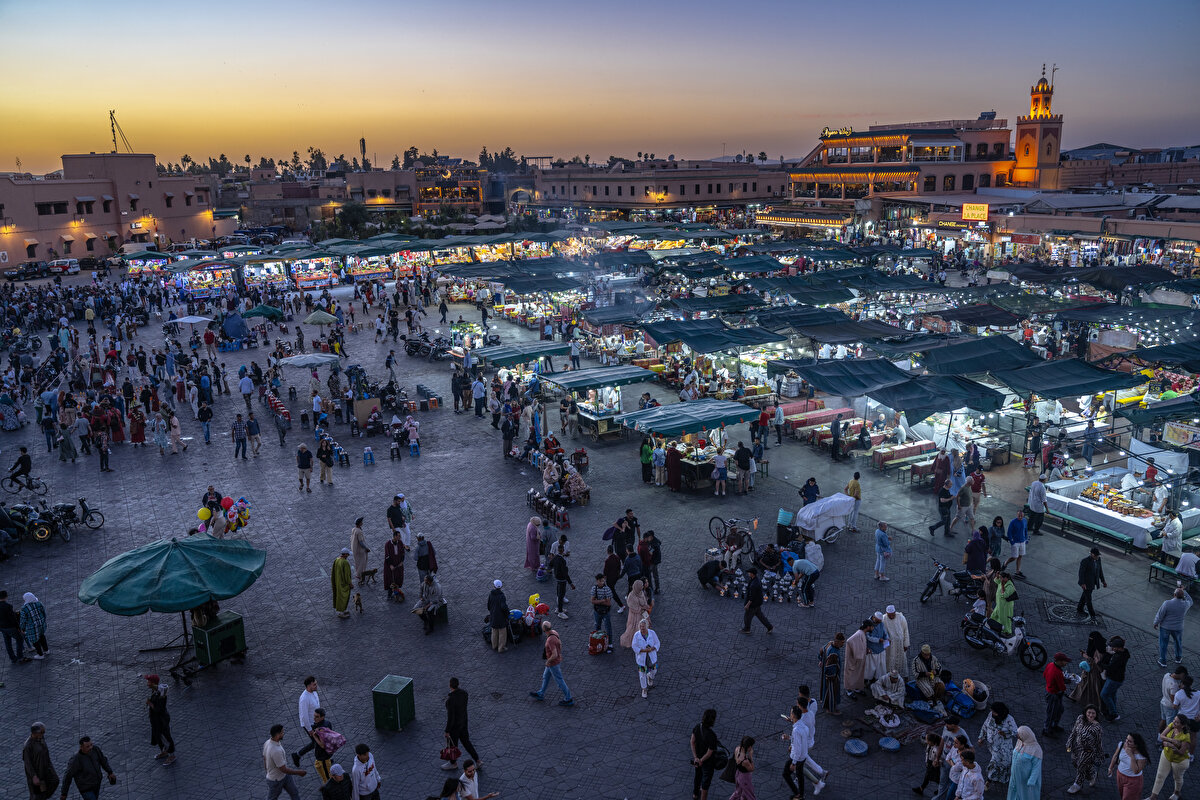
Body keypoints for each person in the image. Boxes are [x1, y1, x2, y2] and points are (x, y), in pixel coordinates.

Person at [529, 621, 573, 706]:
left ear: (544, 629)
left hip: (553, 663)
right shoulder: (555, 633)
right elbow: (560, 644)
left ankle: (568, 698)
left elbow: (554, 654)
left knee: (560, 681)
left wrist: (548, 661)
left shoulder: (550, 640)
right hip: (553, 663)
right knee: (545, 677)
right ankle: (541, 693)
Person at [1148, 713, 1192, 800]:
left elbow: (1181, 752)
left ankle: (1176, 793)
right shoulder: (1172, 725)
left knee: (1177, 778)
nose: (1173, 722)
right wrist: (1172, 741)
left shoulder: (1185, 736)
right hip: (1166, 754)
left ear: (1182, 726)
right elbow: (1161, 736)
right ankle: (1153, 797)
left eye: (1177, 722)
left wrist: (1172, 746)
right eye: (1174, 720)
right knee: (1160, 775)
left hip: (1179, 761)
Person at [441, 677, 481, 772]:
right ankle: (478, 760)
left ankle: (453, 763)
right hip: (463, 724)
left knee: (452, 746)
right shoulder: (464, 694)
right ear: (458, 684)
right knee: (467, 743)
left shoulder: (451, 700)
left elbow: (451, 717)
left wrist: (447, 730)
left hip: (454, 727)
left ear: (450, 685)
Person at [60, 735, 116, 800]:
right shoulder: (75, 760)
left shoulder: (95, 749)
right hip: (85, 789)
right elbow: (67, 776)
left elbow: (103, 761)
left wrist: (110, 772)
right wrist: (64, 793)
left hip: (96, 784)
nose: (90, 747)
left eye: (91, 745)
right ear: (81, 747)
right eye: (87, 746)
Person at [1066, 705, 1105, 794]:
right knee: (1074, 762)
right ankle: (1092, 774)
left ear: (1096, 714)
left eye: (1093, 713)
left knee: (1081, 767)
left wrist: (1100, 755)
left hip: (1088, 751)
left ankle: (1077, 785)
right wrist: (1069, 743)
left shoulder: (1097, 728)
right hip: (1076, 748)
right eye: (1089, 712)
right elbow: (1074, 732)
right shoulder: (1080, 719)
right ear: (1085, 712)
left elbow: (1099, 742)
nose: (1091, 715)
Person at [978, 702, 1017, 789]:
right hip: (993, 746)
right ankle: (990, 780)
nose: (992, 713)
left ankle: (991, 779)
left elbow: (1015, 732)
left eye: (994, 712)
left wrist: (1005, 734)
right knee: (996, 762)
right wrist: (981, 738)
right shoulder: (991, 715)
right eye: (991, 711)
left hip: (1004, 747)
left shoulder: (1009, 719)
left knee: (1004, 763)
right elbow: (985, 726)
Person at [264, 724, 305, 800]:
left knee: (294, 793)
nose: (283, 733)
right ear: (277, 735)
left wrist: (268, 771)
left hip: (285, 776)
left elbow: (265, 758)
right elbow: (283, 769)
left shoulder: (267, 742)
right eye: (282, 732)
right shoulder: (276, 750)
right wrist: (299, 772)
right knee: (272, 798)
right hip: (276, 780)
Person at [1153, 587, 1192, 667]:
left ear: (1174, 595)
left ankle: (1163, 660)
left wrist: (1156, 622)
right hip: (1178, 628)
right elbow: (1191, 601)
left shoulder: (1167, 603)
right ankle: (1178, 658)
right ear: (1183, 596)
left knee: (1163, 644)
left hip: (1165, 627)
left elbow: (1160, 614)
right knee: (1178, 643)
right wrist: (1184, 591)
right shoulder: (1185, 604)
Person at [1107, 732, 1150, 800]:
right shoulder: (1121, 745)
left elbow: (1136, 771)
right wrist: (1110, 768)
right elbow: (1115, 756)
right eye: (1126, 739)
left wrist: (1131, 756)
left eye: (1130, 741)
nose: (1126, 742)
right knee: (1122, 796)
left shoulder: (1141, 756)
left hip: (1133, 781)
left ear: (1136, 745)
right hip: (1120, 775)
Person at [291, 676, 321, 769]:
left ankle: (322, 759)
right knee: (317, 743)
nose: (316, 686)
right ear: (308, 686)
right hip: (310, 724)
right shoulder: (304, 698)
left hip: (316, 722)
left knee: (318, 742)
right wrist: (309, 729)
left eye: (316, 683)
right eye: (314, 684)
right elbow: (304, 716)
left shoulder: (314, 692)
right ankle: (298, 755)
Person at [690, 709, 720, 800]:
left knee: (697, 776)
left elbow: (692, 742)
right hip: (707, 762)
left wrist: (696, 758)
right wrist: (701, 760)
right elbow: (710, 752)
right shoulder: (712, 735)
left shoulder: (697, 727)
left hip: (698, 758)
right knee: (705, 782)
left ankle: (695, 794)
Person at [23, 722, 57, 800]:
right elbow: (28, 763)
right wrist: (34, 776)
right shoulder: (28, 746)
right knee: (36, 795)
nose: (43, 734)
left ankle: (43, 797)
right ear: (35, 733)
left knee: (55, 781)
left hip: (45, 769)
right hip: (37, 773)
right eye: (42, 732)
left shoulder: (41, 738)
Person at [1007, 727, 1043, 800]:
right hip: (1015, 776)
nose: (1017, 736)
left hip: (1025, 780)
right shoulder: (1020, 742)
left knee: (1024, 795)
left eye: (1019, 735)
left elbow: (1036, 767)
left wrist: (1031, 781)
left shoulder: (1036, 750)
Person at [1099, 635, 1130, 722]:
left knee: (1104, 694)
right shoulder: (1125, 653)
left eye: (1113, 647)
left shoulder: (1118, 657)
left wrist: (1100, 664)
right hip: (1119, 679)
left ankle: (1113, 713)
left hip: (1113, 679)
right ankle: (1113, 708)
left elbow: (1110, 667)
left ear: (1118, 648)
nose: (1112, 649)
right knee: (1112, 694)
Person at [631, 617, 660, 699]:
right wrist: (643, 650)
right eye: (640, 627)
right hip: (642, 658)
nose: (642, 629)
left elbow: (657, 643)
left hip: (651, 657)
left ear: (647, 626)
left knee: (654, 670)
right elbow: (634, 646)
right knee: (642, 674)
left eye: (643, 627)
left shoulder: (652, 633)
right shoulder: (636, 635)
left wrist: (652, 648)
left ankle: (650, 677)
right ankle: (644, 688)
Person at [1042, 651, 1069, 737]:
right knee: (1052, 713)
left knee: (1059, 710)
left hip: (1051, 691)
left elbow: (1044, 674)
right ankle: (1047, 729)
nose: (1066, 663)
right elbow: (1062, 687)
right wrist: (1066, 681)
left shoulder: (1050, 664)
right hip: (1054, 694)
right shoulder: (1057, 672)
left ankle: (1054, 725)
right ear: (1060, 661)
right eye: (1065, 661)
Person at [739, 568, 774, 634]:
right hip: (757, 603)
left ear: (752, 574)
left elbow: (752, 597)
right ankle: (769, 627)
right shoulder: (756, 580)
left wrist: (747, 605)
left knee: (747, 616)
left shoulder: (753, 585)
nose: (748, 574)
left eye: (749, 573)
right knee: (760, 616)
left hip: (753, 604)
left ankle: (747, 629)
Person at [817, 633, 844, 715]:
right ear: (837, 642)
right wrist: (833, 678)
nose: (843, 644)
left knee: (825, 689)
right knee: (832, 692)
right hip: (831, 676)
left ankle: (824, 702)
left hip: (825, 672)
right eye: (842, 642)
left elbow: (821, 650)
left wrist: (821, 660)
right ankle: (831, 709)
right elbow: (831, 667)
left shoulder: (829, 643)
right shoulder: (834, 653)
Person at [621, 578, 652, 648]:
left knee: (646, 625)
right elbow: (633, 608)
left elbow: (644, 602)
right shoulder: (631, 596)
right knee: (635, 628)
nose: (641, 588)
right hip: (635, 615)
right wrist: (643, 608)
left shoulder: (641, 593)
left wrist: (645, 607)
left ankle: (644, 641)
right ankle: (636, 642)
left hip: (643, 613)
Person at [1077, 547, 1106, 620]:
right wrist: (1082, 583)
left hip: (1093, 582)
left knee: (1085, 596)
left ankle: (1079, 608)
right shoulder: (1085, 561)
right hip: (1086, 583)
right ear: (1092, 554)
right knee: (1088, 599)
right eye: (1096, 555)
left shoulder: (1098, 560)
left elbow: (1100, 571)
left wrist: (1103, 581)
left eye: (1098, 555)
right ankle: (1092, 614)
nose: (1097, 557)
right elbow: (1081, 573)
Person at [844, 619, 870, 696]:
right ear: (868, 627)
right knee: (850, 675)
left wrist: (865, 650)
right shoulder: (859, 634)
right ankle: (849, 690)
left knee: (857, 674)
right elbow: (849, 641)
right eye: (872, 627)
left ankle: (856, 688)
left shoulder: (862, 633)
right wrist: (859, 653)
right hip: (853, 660)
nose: (873, 628)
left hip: (858, 659)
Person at [19, 591, 48, 659]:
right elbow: (44, 613)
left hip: (32, 627)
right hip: (41, 624)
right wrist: (43, 621)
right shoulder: (39, 604)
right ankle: (46, 650)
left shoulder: (24, 609)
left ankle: (40, 655)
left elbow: (23, 620)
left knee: (34, 640)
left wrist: (22, 628)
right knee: (42, 636)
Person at [913, 731, 943, 795]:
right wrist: (927, 762)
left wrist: (937, 763)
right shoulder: (929, 745)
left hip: (935, 764)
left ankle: (941, 789)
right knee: (927, 776)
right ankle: (922, 788)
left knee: (936, 778)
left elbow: (941, 758)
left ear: (932, 741)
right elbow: (927, 753)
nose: (926, 742)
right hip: (930, 762)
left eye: (927, 740)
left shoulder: (938, 749)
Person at [590, 574, 614, 653]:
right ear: (597, 581)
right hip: (597, 611)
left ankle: (610, 644)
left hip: (605, 611)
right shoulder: (594, 588)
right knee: (597, 626)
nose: (602, 582)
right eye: (601, 581)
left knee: (608, 627)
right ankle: (598, 642)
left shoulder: (607, 589)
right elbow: (592, 601)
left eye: (603, 581)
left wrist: (598, 601)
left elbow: (609, 603)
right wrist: (603, 600)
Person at [730, 735, 757, 800]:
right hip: (745, 778)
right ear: (749, 747)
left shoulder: (737, 749)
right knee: (750, 795)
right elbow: (752, 769)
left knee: (738, 793)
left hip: (737, 774)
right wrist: (750, 756)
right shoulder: (745, 761)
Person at [1002, 511, 1027, 577]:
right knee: (1014, 557)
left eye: (1022, 516)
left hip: (1022, 541)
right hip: (1015, 542)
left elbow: (1025, 530)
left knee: (1020, 556)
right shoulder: (1013, 522)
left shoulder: (1024, 521)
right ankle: (1005, 563)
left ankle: (1018, 571)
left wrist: (1026, 538)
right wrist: (1012, 542)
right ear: (1017, 515)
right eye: (1019, 516)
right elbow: (1009, 532)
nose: (1020, 517)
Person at [383, 529, 406, 603]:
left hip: (398, 564)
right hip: (390, 565)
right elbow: (387, 555)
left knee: (398, 578)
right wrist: (390, 565)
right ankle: (389, 594)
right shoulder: (388, 544)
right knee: (390, 580)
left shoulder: (400, 543)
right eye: (399, 536)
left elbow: (403, 553)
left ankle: (397, 593)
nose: (400, 537)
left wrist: (402, 562)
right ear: (395, 536)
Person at [991, 572, 1017, 636]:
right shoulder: (1002, 581)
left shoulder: (1010, 586)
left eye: (1002, 578)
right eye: (1000, 577)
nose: (1000, 579)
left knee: (1005, 619)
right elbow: (995, 580)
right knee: (994, 615)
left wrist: (1002, 585)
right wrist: (997, 577)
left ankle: (1007, 632)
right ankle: (994, 627)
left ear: (1006, 578)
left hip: (1006, 607)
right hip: (1000, 605)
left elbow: (1005, 595)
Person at [487, 579, 508, 653]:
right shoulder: (501, 596)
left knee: (494, 631)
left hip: (493, 616)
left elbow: (488, 605)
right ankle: (501, 648)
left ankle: (494, 645)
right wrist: (507, 613)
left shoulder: (491, 594)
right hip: (501, 617)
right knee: (502, 632)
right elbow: (503, 607)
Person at [331, 548, 352, 618]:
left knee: (339, 596)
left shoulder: (337, 560)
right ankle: (341, 612)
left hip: (338, 581)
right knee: (343, 597)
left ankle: (343, 610)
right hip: (343, 583)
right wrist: (350, 583)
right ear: (345, 554)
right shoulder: (345, 562)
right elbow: (347, 574)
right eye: (348, 554)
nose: (348, 555)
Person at [350, 518, 369, 584]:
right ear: (359, 523)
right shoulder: (359, 532)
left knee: (357, 561)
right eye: (361, 522)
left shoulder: (354, 529)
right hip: (360, 550)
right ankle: (359, 574)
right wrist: (366, 548)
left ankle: (359, 573)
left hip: (355, 549)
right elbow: (361, 542)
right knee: (362, 562)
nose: (362, 523)